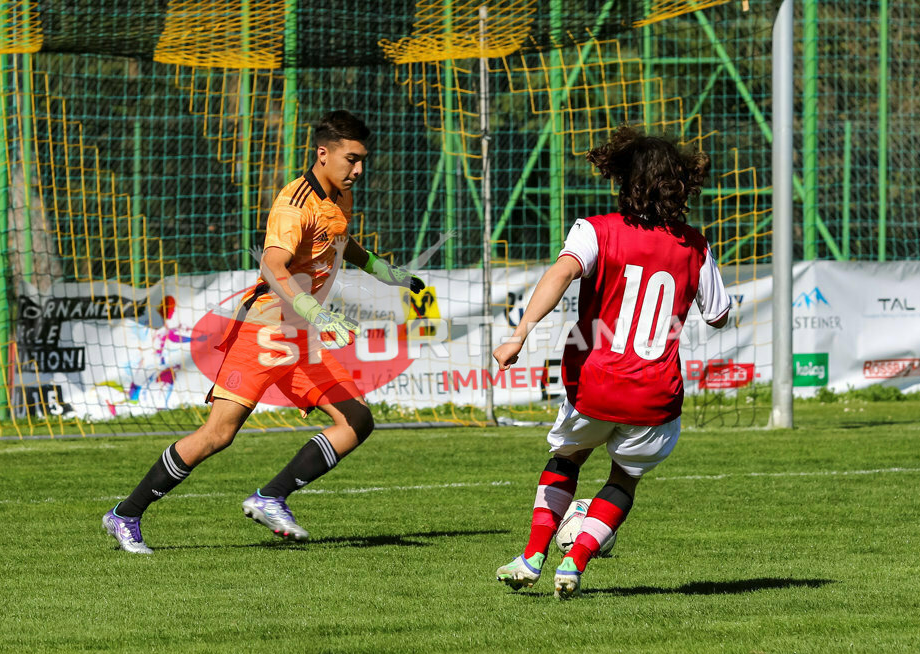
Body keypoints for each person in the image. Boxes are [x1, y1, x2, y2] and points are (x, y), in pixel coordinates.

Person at [102, 110, 424, 554]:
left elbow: (338, 241)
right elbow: (273, 265)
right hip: (264, 333)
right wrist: (315, 310)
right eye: (351, 159)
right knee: (218, 435)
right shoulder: (294, 204)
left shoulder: (339, 197)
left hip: (300, 337)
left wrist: (384, 271)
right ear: (323, 153)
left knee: (357, 420)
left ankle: (270, 497)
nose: (358, 170)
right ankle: (126, 513)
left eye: (362, 160)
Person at [492, 125, 730, 599]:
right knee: (624, 477)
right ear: (678, 185)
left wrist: (519, 335)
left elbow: (562, 271)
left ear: (625, 180)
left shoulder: (595, 229)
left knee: (567, 458)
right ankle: (575, 563)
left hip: (595, 384)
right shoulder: (696, 245)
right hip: (655, 395)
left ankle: (533, 556)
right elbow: (718, 315)